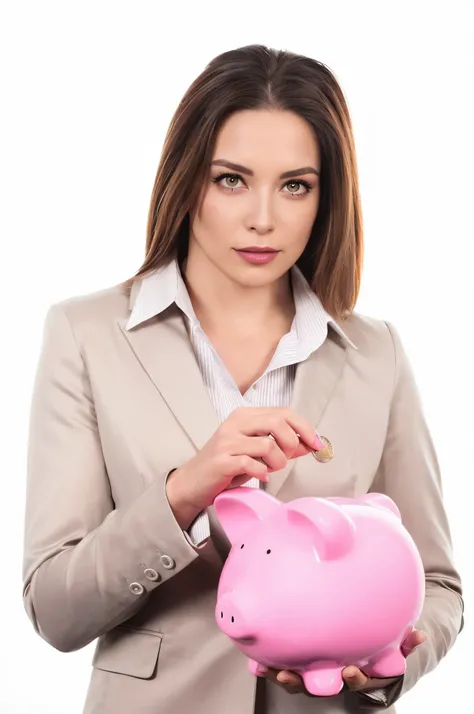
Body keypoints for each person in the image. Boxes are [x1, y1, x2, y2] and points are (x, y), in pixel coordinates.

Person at [22, 44, 464, 714]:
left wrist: (386, 663)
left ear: (326, 196)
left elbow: (436, 584)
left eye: (296, 185)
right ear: (186, 179)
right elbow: (55, 610)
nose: (264, 217)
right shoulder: (86, 335)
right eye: (231, 179)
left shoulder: (377, 353)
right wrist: (181, 496)